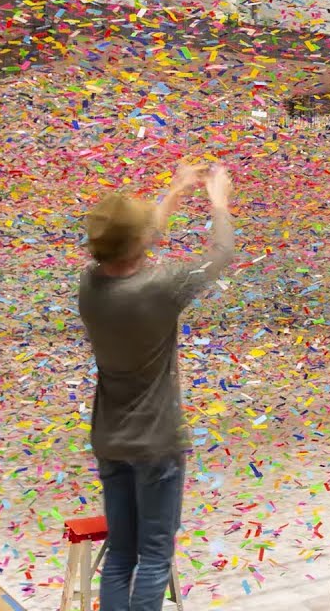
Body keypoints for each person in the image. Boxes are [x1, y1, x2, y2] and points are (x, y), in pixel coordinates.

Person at [77, 163, 237, 611]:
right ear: (141, 243)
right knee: (154, 557)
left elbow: (131, 241)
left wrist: (175, 191)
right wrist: (218, 201)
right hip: (155, 443)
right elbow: (220, 254)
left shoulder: (89, 285)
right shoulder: (160, 287)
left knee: (121, 555)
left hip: (110, 440)